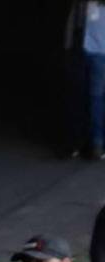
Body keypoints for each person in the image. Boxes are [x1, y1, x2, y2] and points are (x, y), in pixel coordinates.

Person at [66, 2, 105, 158]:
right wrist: (68, 48)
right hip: (81, 52)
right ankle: (78, 142)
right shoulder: (81, 4)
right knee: (79, 97)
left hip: (101, 54)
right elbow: (72, 22)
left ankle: (97, 143)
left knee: (96, 99)